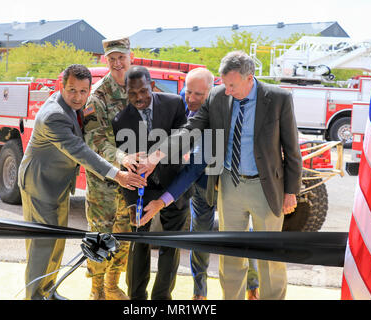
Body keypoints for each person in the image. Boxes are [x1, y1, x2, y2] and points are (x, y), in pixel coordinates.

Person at [144, 51, 302, 300]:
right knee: (230, 255)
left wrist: (291, 191)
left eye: (232, 85)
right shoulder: (217, 96)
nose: (227, 91)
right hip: (229, 186)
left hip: (266, 188)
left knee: (269, 256)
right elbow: (191, 129)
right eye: (223, 84)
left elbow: (292, 148)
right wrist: (157, 155)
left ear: (250, 78)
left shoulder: (279, 98)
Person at [18, 64, 146, 300]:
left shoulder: (73, 108)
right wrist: (118, 174)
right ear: (61, 86)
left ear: (89, 90)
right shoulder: (54, 115)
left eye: (83, 91)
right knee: (42, 246)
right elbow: (80, 151)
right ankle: (34, 296)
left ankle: (48, 290)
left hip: (55, 184)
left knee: (56, 241)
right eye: (72, 90)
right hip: (40, 184)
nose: (77, 97)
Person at [142, 67, 260, 300]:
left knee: (240, 236)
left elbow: (195, 165)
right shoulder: (181, 109)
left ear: (213, 91)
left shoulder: (225, 110)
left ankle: (252, 286)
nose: (191, 99)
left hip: (230, 184)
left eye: (199, 95)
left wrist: (163, 201)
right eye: (188, 92)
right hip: (202, 186)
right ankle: (199, 293)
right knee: (200, 234)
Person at [111, 66, 191, 300]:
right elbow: (126, 164)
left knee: (170, 245)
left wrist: (158, 156)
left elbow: (183, 140)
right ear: (126, 92)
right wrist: (131, 204)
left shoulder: (175, 103)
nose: (139, 98)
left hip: (173, 184)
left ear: (152, 86)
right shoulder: (121, 119)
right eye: (132, 93)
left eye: (143, 91)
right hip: (140, 189)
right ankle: (137, 298)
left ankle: (162, 298)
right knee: (138, 243)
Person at [82, 37, 134, 300]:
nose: (117, 63)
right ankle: (97, 291)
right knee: (101, 238)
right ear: (106, 60)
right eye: (112, 58)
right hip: (104, 184)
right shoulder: (97, 96)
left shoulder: (142, 90)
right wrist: (125, 159)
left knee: (124, 237)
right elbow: (95, 141)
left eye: (121, 57)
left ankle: (112, 287)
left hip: (132, 180)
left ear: (130, 57)